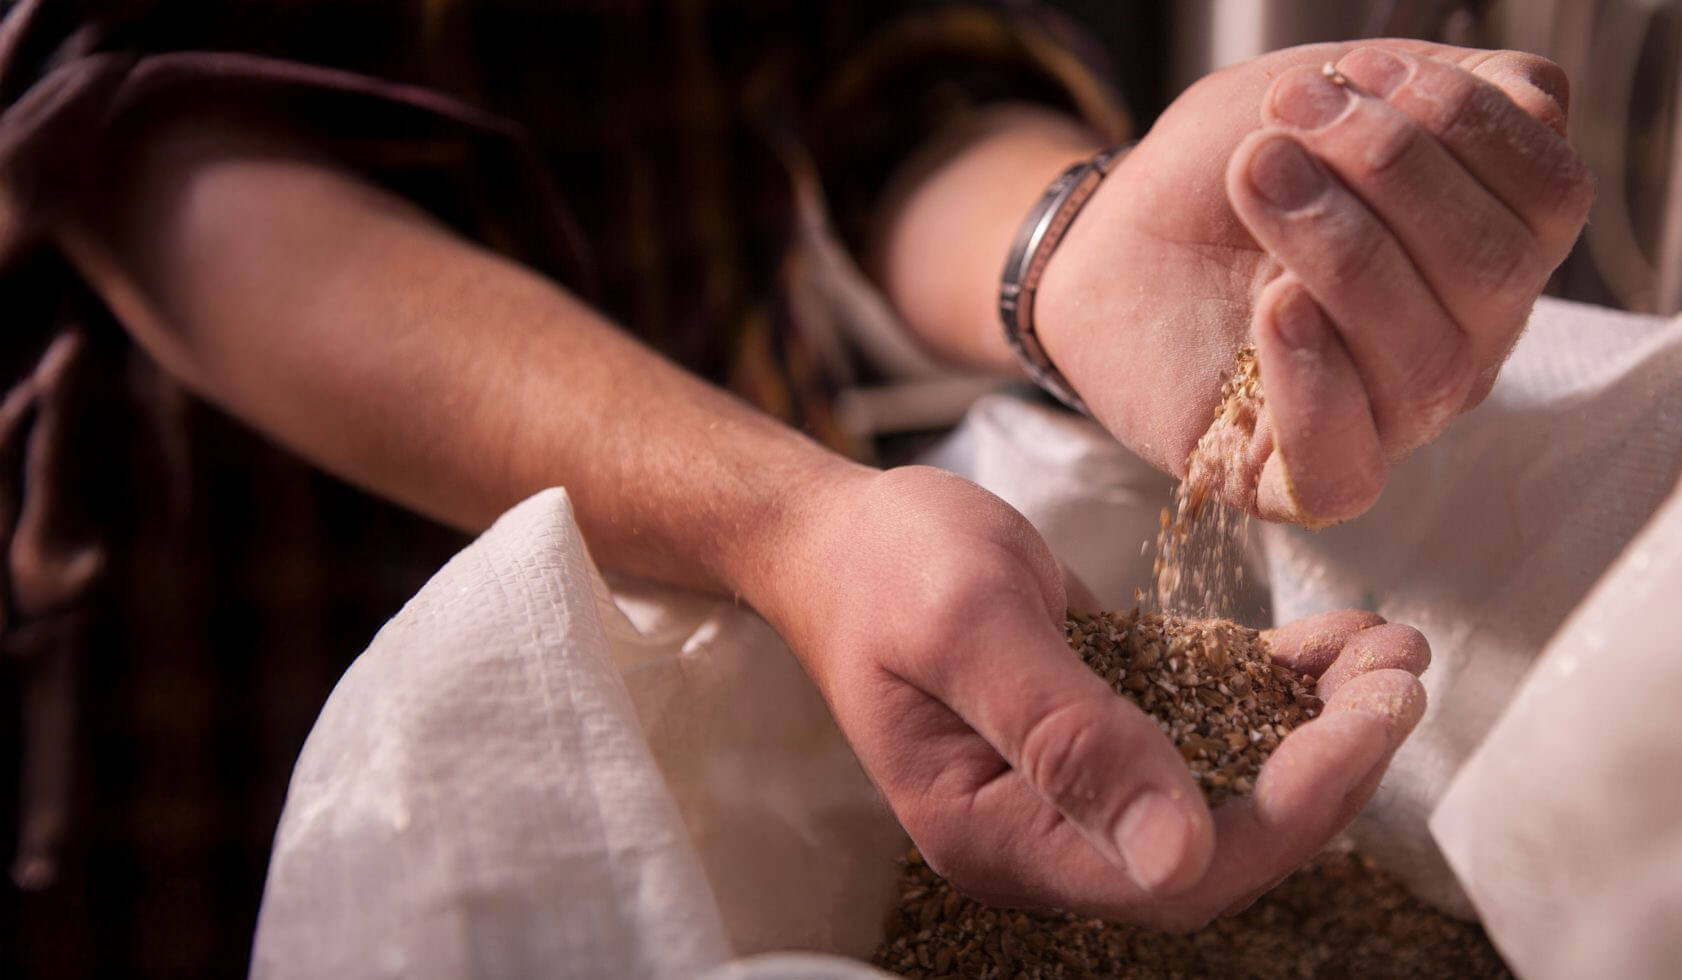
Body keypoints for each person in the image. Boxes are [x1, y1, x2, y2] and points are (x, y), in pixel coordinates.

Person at [0, 0, 1589, 954]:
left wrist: (1078, 254)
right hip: (219, 656)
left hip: (753, 572)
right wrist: (785, 521)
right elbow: (156, 155)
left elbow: (893, 76)